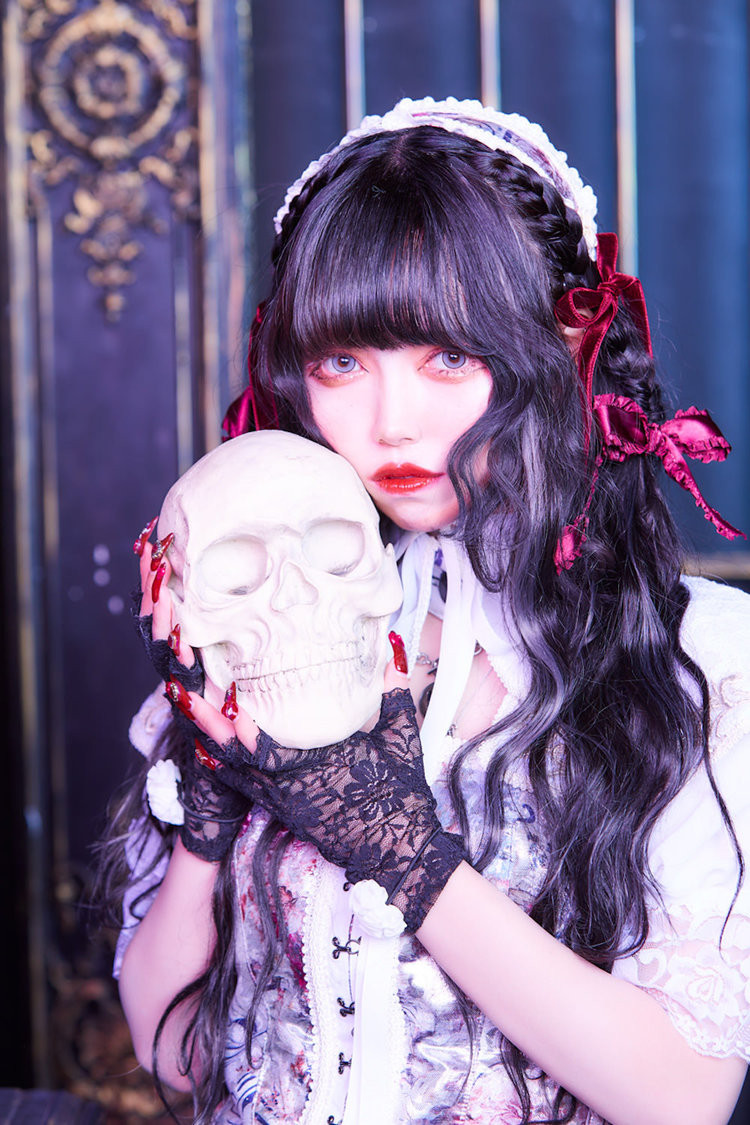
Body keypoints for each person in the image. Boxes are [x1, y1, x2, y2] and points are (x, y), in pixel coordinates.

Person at [100, 97, 750, 1124]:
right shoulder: (272, 612)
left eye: (449, 357)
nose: (390, 421)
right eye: (342, 362)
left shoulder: (704, 663)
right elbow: (172, 1054)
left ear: (562, 346)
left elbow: (679, 1099)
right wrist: (208, 817)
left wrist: (403, 848)